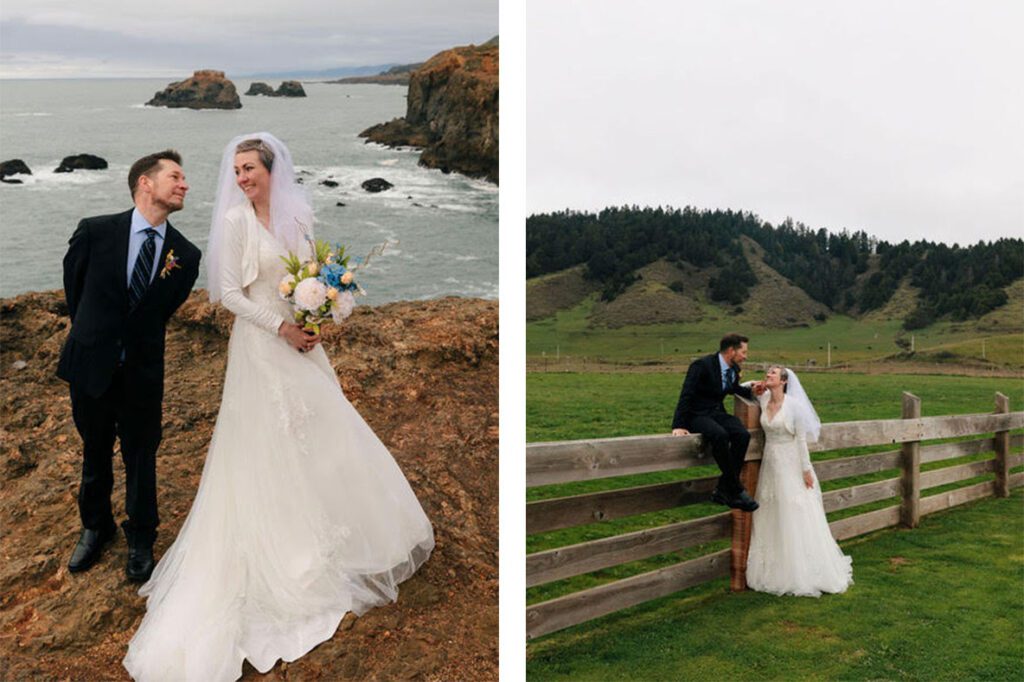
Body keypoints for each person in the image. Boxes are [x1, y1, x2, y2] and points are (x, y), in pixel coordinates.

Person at [122, 132, 434, 681]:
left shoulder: (299, 215)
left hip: (302, 345)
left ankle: (339, 529)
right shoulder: (235, 222)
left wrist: (319, 314)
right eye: (236, 170)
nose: (242, 178)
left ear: (273, 169)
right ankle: (285, 550)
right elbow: (229, 295)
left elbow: (315, 276)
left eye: (250, 168)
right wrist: (284, 326)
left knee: (325, 431)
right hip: (263, 347)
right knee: (270, 441)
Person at [57, 150, 201, 582]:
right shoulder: (95, 232)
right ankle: (94, 527)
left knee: (142, 457)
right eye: (175, 176)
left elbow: (163, 310)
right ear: (145, 183)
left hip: (141, 373)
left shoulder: (186, 255)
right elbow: (74, 287)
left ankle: (141, 538)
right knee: (94, 450)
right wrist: (95, 334)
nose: (184, 184)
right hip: (91, 364)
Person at [745, 366, 853, 597]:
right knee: (771, 509)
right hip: (771, 464)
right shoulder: (763, 399)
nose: (768, 376)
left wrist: (806, 470)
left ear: (783, 381)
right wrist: (756, 385)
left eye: (772, 374)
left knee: (793, 509)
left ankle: (803, 569)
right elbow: (743, 389)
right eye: (767, 374)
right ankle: (773, 566)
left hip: (791, 463)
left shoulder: (795, 406)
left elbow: (801, 440)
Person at [671, 333, 762, 512]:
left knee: (741, 435)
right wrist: (678, 425)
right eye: (743, 352)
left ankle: (723, 489)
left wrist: (752, 391)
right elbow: (686, 394)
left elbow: (731, 388)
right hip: (696, 415)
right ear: (731, 351)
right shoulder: (701, 366)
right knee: (719, 435)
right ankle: (735, 489)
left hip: (716, 413)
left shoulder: (733, 369)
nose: (746, 356)